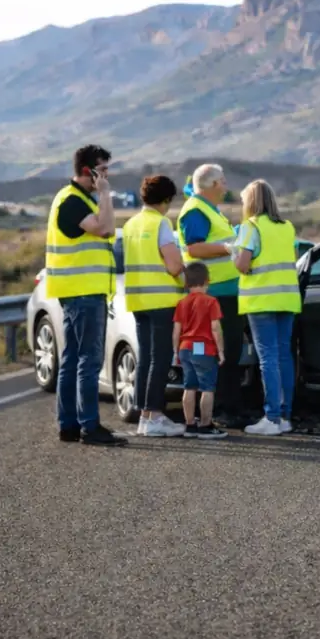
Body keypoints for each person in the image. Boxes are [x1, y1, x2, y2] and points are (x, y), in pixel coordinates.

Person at [45, 144, 125, 446]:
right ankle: (89, 426)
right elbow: (106, 229)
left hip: (78, 291)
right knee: (89, 361)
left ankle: (69, 425)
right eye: (102, 170)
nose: (106, 176)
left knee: (72, 359)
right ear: (86, 170)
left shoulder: (77, 199)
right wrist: (106, 195)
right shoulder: (73, 202)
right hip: (83, 292)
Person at [176, 163, 248, 425]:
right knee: (220, 352)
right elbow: (194, 249)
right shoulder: (195, 210)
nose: (226, 186)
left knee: (230, 351)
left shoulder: (209, 210)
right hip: (214, 294)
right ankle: (221, 411)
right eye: (223, 181)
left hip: (224, 292)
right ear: (213, 184)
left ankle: (228, 408)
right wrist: (228, 248)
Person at [232, 179, 302, 436]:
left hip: (261, 300)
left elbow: (242, 265)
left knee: (267, 358)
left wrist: (233, 251)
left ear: (251, 201)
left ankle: (271, 418)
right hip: (287, 299)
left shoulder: (250, 227)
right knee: (284, 356)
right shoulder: (287, 227)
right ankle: (284, 416)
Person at [122, 174, 186, 438]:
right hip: (162, 300)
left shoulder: (130, 224)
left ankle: (145, 416)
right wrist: (185, 274)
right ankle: (155, 416)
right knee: (160, 359)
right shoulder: (161, 223)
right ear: (166, 199)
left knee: (146, 358)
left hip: (138, 301)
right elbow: (173, 265)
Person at [172, 263, 228, 439]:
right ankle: (205, 425)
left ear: (186, 282)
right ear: (207, 281)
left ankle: (189, 425)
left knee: (189, 386)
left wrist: (175, 351)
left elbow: (176, 330)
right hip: (201, 346)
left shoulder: (182, 303)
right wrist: (221, 351)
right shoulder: (211, 301)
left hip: (185, 346)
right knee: (207, 387)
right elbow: (215, 328)